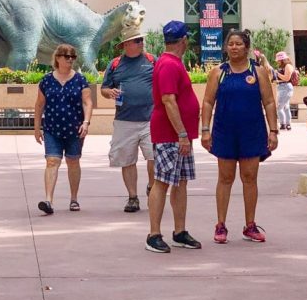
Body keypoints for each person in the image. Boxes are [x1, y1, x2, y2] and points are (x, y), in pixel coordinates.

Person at [201, 28, 279, 244]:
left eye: (238, 44)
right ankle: (221, 225)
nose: (234, 47)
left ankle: (250, 225)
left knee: (250, 178)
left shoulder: (258, 72)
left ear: (246, 47)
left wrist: (273, 131)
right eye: (230, 44)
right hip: (224, 132)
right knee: (225, 178)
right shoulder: (218, 72)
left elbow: (270, 102)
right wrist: (205, 130)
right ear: (226, 48)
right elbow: (208, 102)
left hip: (252, 132)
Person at [146, 20, 202, 253]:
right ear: (184, 40)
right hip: (171, 135)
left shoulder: (172, 63)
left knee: (180, 181)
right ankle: (154, 234)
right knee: (162, 181)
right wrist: (181, 133)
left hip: (180, 136)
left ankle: (179, 231)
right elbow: (168, 100)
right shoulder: (169, 64)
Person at [101, 19, 156, 213]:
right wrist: (110, 93)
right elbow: (104, 89)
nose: (141, 43)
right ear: (126, 45)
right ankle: (133, 197)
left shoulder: (151, 60)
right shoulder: (115, 64)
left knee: (154, 157)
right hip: (124, 120)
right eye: (137, 40)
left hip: (150, 119)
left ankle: (152, 186)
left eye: (141, 40)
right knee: (127, 160)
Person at [34, 44, 93, 214]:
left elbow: (88, 102)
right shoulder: (46, 80)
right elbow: (39, 105)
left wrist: (86, 122)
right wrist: (37, 128)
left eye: (73, 57)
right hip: (52, 128)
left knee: (73, 161)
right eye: (66, 56)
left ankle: (74, 198)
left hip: (75, 129)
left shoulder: (80, 80)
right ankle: (48, 201)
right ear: (57, 58)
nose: (70, 60)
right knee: (52, 161)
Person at [273, 50, 296, 130]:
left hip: (285, 88)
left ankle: (283, 124)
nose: (278, 62)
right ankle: (287, 124)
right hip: (282, 87)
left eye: (279, 60)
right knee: (286, 107)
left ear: (282, 60)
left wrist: (277, 73)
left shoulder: (287, 66)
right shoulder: (284, 66)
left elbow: (287, 78)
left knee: (279, 107)